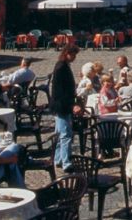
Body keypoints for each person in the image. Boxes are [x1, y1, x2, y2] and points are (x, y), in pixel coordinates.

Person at [50, 44, 79, 174]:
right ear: (67, 53)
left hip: (62, 105)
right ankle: (66, 163)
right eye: (73, 54)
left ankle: (57, 159)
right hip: (62, 106)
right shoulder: (61, 67)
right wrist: (71, 105)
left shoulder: (63, 65)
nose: (74, 57)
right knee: (66, 135)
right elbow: (61, 91)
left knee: (60, 134)